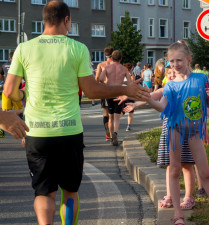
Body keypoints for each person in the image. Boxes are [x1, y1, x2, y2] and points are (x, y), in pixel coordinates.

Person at [3, 2, 149, 225]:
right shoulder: (77, 48)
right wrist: (124, 89)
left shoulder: (24, 49)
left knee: (44, 193)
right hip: (69, 130)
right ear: (66, 20)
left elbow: (10, 91)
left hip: (37, 133)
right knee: (70, 192)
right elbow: (92, 91)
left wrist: (23, 98)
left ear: (44, 20)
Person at [146, 42, 209, 225]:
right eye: (172, 61)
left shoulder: (201, 79)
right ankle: (178, 214)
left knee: (205, 173)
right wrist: (147, 98)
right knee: (175, 170)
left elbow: (205, 105)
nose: (175, 64)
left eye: (179, 60)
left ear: (189, 59)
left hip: (194, 131)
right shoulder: (170, 86)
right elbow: (162, 106)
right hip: (175, 130)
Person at [99, 50, 132, 146]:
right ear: (121, 59)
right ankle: (115, 133)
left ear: (111, 58)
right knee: (117, 116)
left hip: (109, 92)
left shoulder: (106, 67)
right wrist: (123, 82)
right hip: (119, 93)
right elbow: (129, 82)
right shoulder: (124, 69)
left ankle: (110, 136)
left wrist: (106, 83)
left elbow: (100, 79)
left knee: (110, 117)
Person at [0, 50, 24, 138]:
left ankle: (1, 132)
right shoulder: (19, 65)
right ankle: (22, 131)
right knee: (19, 110)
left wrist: (5, 80)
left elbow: (0, 76)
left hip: (6, 91)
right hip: (16, 91)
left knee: (5, 111)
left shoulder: (3, 65)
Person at [95, 46, 114, 141]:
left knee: (106, 112)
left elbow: (97, 79)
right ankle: (113, 133)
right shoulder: (116, 64)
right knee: (115, 113)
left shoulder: (101, 65)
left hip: (104, 90)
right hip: (114, 90)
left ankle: (108, 134)